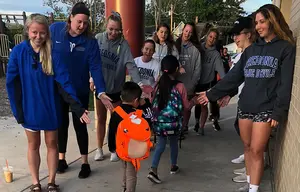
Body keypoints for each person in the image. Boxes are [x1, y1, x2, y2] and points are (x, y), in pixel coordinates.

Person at [198, 4, 295, 192]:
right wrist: (211, 94)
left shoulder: (285, 48)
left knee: (258, 150)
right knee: (248, 147)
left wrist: (278, 111)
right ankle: (250, 182)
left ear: (272, 21)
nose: (258, 26)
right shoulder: (251, 50)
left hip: (266, 109)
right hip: (246, 106)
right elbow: (234, 76)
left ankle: (254, 189)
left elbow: (285, 84)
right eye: (256, 23)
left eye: (262, 22)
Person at [6, 14, 90, 192]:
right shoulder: (18, 52)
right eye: (34, 32)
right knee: (33, 145)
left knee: (53, 144)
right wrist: (17, 110)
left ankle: (51, 181)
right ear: (28, 31)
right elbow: (12, 84)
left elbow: (64, 82)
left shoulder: (54, 53)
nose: (38, 36)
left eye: (42, 33)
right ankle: (36, 183)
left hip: (51, 107)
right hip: (29, 108)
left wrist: (78, 107)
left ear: (47, 34)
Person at [50, 2, 112, 178]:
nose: (82, 26)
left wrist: (100, 91)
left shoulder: (90, 41)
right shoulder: (55, 30)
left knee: (80, 125)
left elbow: (96, 67)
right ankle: (61, 159)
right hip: (59, 88)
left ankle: (85, 162)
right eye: (79, 21)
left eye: (85, 23)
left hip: (80, 90)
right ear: (70, 18)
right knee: (61, 124)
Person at [92, 11, 142, 162]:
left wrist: (140, 84)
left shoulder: (123, 44)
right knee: (100, 119)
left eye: (117, 30)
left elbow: (131, 65)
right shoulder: (98, 39)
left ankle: (113, 148)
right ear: (106, 27)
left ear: (121, 29)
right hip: (101, 88)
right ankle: (99, 148)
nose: (114, 32)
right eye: (111, 29)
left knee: (116, 120)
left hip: (116, 89)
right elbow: (90, 61)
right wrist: (91, 78)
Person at [147, 55, 198, 184]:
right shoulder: (180, 86)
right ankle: (173, 166)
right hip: (174, 123)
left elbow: (152, 101)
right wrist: (194, 101)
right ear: (176, 69)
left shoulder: (158, 84)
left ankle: (153, 169)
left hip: (159, 123)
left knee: (161, 145)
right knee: (174, 143)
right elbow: (186, 107)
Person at [107, 82, 143, 192]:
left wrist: (112, 147)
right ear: (136, 100)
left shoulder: (116, 112)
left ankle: (124, 188)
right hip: (133, 150)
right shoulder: (137, 113)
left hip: (120, 148)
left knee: (125, 169)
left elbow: (111, 131)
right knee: (132, 173)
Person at [194, 28, 225, 135]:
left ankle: (201, 127)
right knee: (189, 105)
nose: (212, 39)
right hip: (194, 82)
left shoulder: (215, 54)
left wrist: (226, 84)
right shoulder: (198, 48)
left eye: (214, 38)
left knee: (203, 106)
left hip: (206, 84)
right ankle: (191, 124)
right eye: (210, 36)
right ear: (207, 36)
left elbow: (221, 71)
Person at [175, 22, 202, 134]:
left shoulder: (195, 50)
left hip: (188, 85)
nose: (187, 34)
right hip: (175, 84)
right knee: (176, 107)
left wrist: (192, 84)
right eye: (186, 31)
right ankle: (176, 126)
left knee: (186, 108)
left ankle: (184, 126)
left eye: (190, 32)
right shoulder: (174, 46)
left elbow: (198, 69)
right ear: (182, 30)